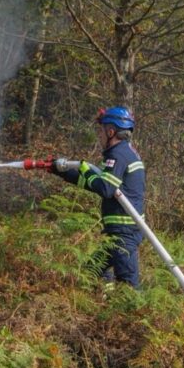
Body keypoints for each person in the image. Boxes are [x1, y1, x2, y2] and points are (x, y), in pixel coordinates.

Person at [52, 106, 146, 289]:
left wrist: (85, 167)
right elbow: (94, 183)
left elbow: (105, 188)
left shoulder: (118, 154)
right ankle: (109, 301)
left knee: (129, 287)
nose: (100, 136)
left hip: (124, 232)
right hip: (119, 231)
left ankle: (132, 314)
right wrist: (60, 172)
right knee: (93, 269)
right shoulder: (123, 152)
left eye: (101, 131)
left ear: (111, 131)